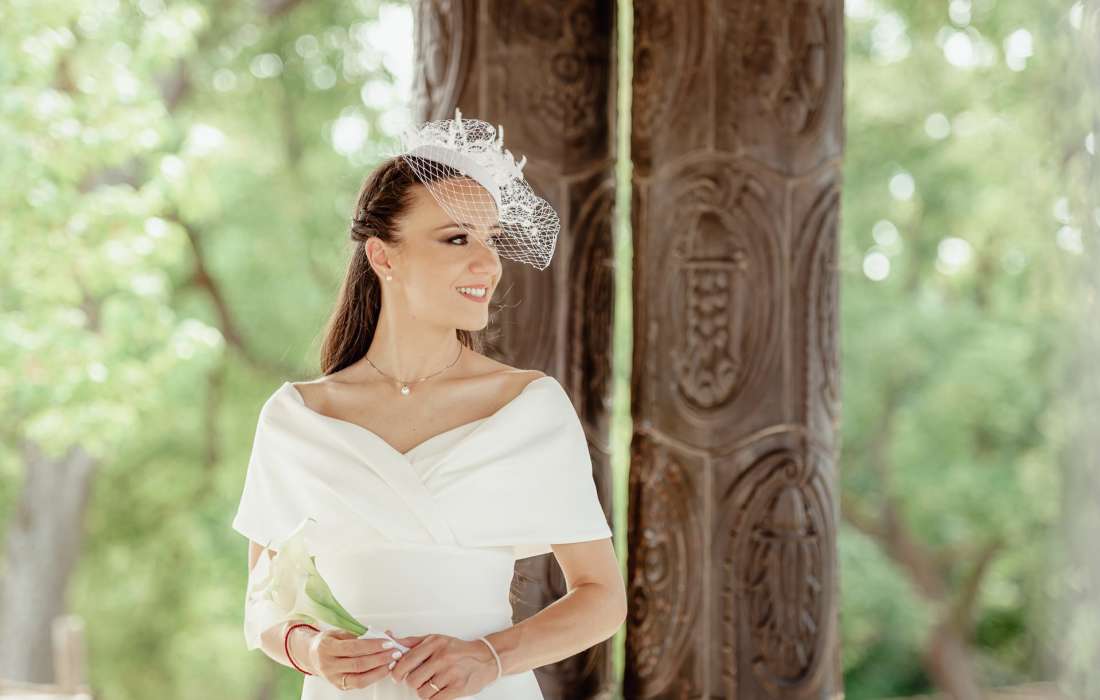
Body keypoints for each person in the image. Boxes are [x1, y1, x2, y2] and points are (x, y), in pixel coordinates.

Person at [231, 111, 626, 699]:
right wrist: (309, 649)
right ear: (383, 257)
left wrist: (488, 658)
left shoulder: (529, 407)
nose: (488, 263)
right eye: (457, 238)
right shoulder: (297, 420)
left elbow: (602, 597)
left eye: (490, 239)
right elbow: (263, 604)